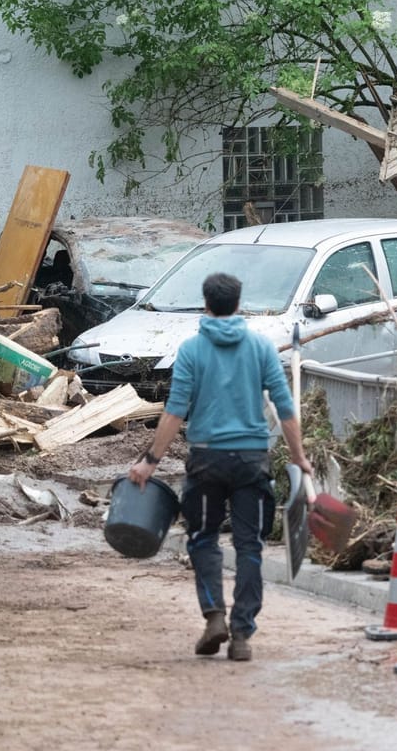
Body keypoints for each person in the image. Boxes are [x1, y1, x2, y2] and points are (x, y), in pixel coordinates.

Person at [128, 272, 311, 661]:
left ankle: (214, 616)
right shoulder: (261, 348)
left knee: (205, 539)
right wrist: (299, 458)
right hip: (251, 462)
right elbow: (285, 407)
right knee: (250, 547)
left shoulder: (192, 350)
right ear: (239, 304)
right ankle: (242, 634)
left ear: (206, 304)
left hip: (207, 461)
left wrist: (149, 462)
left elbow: (175, 412)